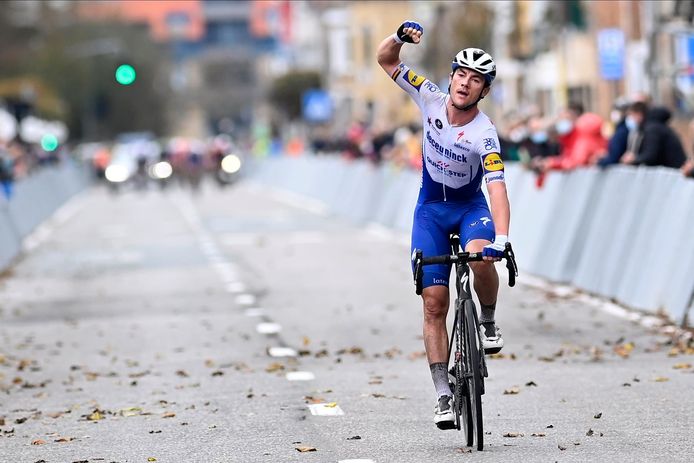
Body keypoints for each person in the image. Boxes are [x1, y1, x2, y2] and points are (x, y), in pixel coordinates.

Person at [377, 20, 511, 430]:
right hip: (431, 209)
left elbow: (498, 187)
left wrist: (501, 239)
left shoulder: (485, 133)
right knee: (434, 302)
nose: (466, 84)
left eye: (476, 80)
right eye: (462, 75)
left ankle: (487, 320)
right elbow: (386, 60)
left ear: (484, 91)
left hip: (470, 207)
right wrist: (400, 37)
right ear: (451, 77)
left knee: (479, 257)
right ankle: (442, 394)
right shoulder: (429, 97)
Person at [621, 103, 686, 168]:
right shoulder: (654, 126)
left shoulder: (652, 129)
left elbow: (651, 155)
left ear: (639, 114)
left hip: (673, 171)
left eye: (632, 115)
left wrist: (634, 159)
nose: (631, 119)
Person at [596, 97, 630, 167]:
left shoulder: (622, 131)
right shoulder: (617, 129)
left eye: (619, 110)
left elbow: (615, 156)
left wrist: (600, 162)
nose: (615, 113)